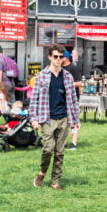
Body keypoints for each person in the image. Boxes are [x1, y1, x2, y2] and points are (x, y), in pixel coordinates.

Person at [29, 45, 80, 191]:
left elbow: (72, 99)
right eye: (56, 56)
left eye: (61, 57)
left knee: (59, 151)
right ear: (50, 57)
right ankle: (42, 172)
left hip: (64, 117)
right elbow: (34, 99)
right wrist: (33, 118)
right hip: (47, 117)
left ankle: (55, 181)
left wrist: (76, 120)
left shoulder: (67, 76)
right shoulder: (41, 76)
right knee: (47, 149)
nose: (58, 59)